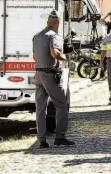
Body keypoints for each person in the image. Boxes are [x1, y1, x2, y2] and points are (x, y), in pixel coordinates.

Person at [32, 10, 74, 148]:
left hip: (38, 74)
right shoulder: (54, 36)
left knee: (40, 108)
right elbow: (54, 52)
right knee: (61, 104)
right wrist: (64, 58)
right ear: (57, 23)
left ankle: (42, 140)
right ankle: (60, 136)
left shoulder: (36, 36)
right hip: (50, 74)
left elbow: (34, 57)